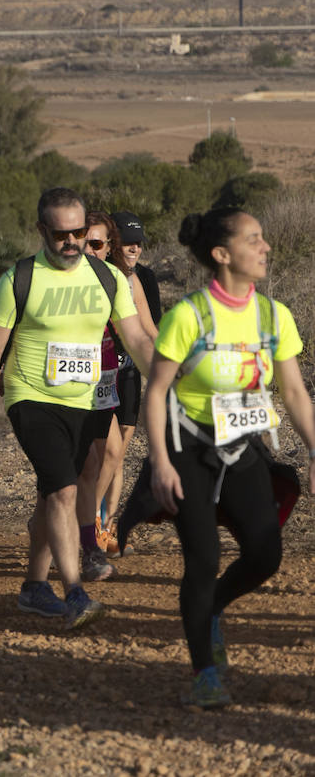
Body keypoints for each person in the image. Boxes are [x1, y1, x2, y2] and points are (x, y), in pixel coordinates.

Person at [142, 207, 315, 708]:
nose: (266, 248)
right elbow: (155, 394)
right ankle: (205, 672)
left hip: (245, 449)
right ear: (222, 255)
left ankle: (213, 607)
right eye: (254, 239)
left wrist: (313, 446)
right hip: (189, 448)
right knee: (203, 560)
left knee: (266, 555)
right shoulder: (187, 316)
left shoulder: (272, 315)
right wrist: (160, 461)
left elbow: (295, 393)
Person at [0, 187, 154, 628]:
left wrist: (172, 379)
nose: (71, 242)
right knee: (64, 491)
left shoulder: (108, 278)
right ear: (41, 230)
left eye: (78, 233)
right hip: (32, 397)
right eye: (61, 234)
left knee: (52, 491)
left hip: (86, 399)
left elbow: (138, 339)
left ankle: (34, 586)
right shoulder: (18, 279)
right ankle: (73, 590)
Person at [100, 210, 163, 556]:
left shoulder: (144, 280)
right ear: (114, 245)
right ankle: (90, 523)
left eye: (139, 243)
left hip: (129, 372)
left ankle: (107, 526)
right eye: (128, 242)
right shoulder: (98, 276)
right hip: (98, 373)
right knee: (104, 452)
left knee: (120, 451)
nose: (134, 249)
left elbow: (150, 329)